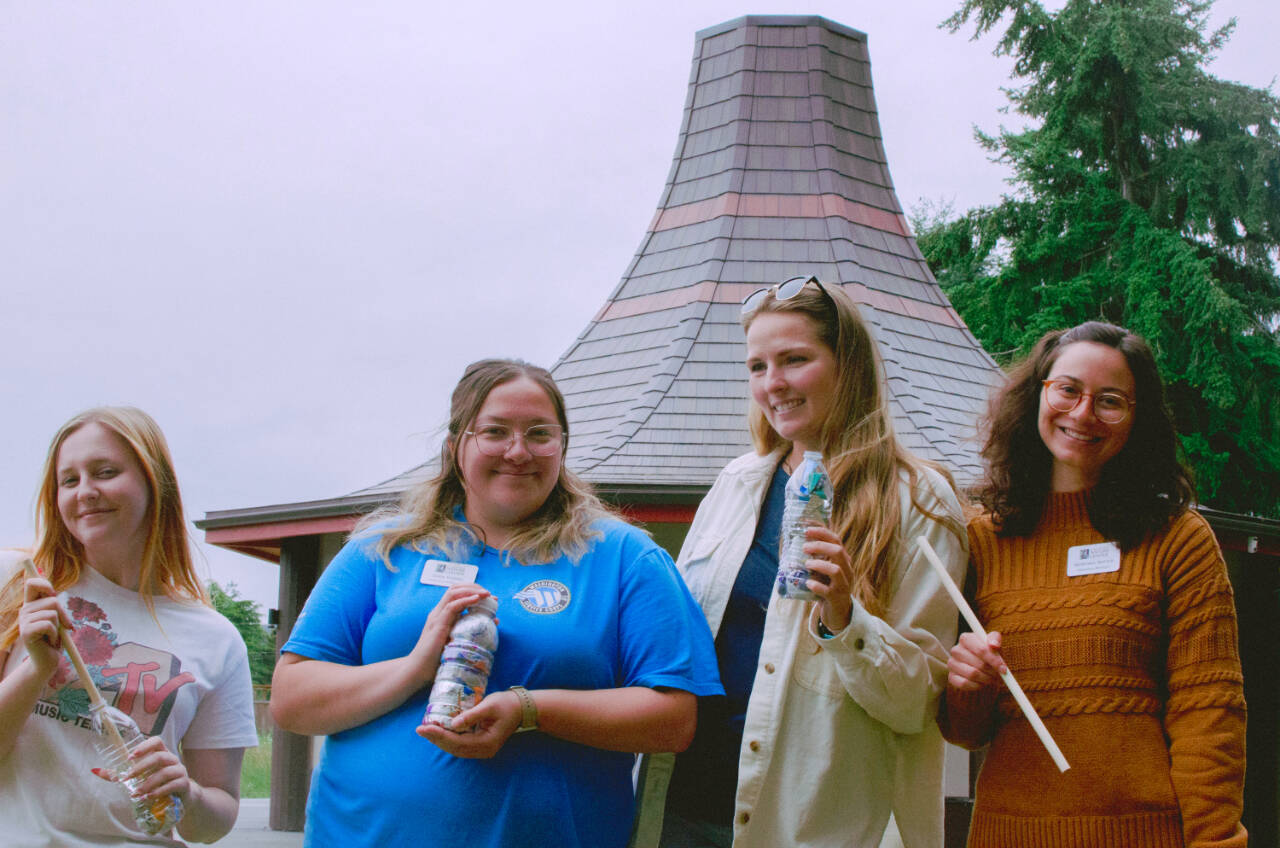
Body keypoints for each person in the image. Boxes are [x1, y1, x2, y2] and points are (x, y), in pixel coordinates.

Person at [270, 358, 722, 848]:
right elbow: (293, 701)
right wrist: (416, 667)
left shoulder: (626, 558)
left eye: (540, 434)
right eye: (495, 431)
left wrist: (529, 709)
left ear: (562, 447)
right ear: (455, 446)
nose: (518, 451)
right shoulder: (382, 549)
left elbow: (673, 721)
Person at [634, 276, 969, 848]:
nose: (773, 384)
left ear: (849, 365)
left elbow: (919, 704)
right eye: (757, 366)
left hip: (811, 827)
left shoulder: (919, 500)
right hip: (683, 809)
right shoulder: (737, 483)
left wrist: (844, 617)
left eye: (794, 360)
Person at [939, 321, 1247, 847]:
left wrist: (1216, 842)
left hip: (1143, 837)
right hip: (1007, 835)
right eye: (1068, 390)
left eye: (1110, 400)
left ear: (1137, 418)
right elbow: (964, 732)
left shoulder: (1177, 539)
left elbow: (1209, 712)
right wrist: (968, 688)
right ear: (1037, 393)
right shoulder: (980, 540)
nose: (1083, 413)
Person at [0, 406, 258, 846]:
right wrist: (34, 670)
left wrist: (189, 795)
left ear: (154, 482)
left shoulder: (216, 638)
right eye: (69, 480)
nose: (85, 491)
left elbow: (216, 818)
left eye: (104, 472)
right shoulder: (18, 586)